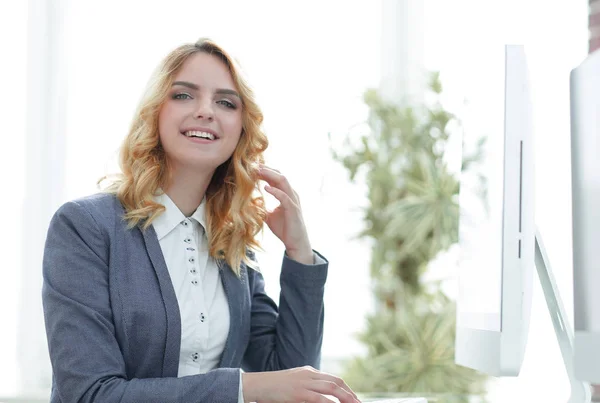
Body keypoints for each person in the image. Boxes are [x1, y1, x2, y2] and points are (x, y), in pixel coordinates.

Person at [41, 37, 361, 403]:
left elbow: (292, 376)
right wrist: (243, 387)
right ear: (155, 111)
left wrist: (299, 251)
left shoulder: (231, 247)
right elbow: (88, 394)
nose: (206, 111)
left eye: (226, 102)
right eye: (183, 95)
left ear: (242, 127)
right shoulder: (85, 227)